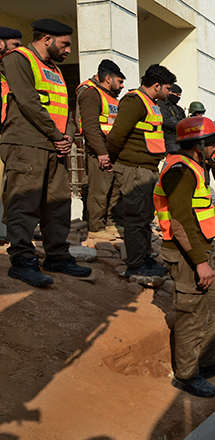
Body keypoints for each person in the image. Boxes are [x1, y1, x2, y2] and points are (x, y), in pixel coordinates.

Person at [0, 18, 91, 286]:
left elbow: (65, 108)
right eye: (65, 45)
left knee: (57, 205)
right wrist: (57, 135)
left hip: (54, 147)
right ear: (47, 39)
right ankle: (22, 260)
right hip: (26, 144)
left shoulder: (54, 70)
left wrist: (69, 136)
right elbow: (28, 101)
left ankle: (57, 256)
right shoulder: (18, 59)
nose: (68, 51)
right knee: (24, 203)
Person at [153, 116, 215, 397]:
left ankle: (208, 361)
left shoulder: (194, 168)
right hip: (186, 255)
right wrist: (200, 262)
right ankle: (187, 375)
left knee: (212, 308)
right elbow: (180, 222)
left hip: (200, 250)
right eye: (213, 143)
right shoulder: (179, 170)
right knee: (190, 314)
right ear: (199, 145)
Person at [107, 63, 176, 278]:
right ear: (156, 85)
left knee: (144, 217)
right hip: (134, 169)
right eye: (168, 87)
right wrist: (114, 159)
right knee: (136, 217)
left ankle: (145, 257)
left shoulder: (150, 103)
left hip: (146, 168)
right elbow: (117, 136)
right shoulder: (134, 101)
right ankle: (136, 263)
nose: (170, 92)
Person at [76, 59, 124, 239]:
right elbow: (90, 126)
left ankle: (111, 223)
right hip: (100, 151)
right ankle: (95, 228)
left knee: (113, 190)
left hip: (112, 151)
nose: (122, 86)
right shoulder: (91, 94)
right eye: (119, 81)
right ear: (108, 79)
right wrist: (101, 152)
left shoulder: (111, 98)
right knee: (99, 191)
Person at [0, 26, 23, 241]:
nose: (18, 50)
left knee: (6, 186)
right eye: (15, 45)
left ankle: (4, 232)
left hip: (6, 134)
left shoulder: (6, 71)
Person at [157, 83, 185, 154]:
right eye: (177, 95)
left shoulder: (179, 109)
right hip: (169, 140)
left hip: (180, 141)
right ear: (171, 92)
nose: (178, 97)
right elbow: (165, 120)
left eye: (179, 95)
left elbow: (185, 121)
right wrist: (180, 126)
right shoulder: (161, 104)